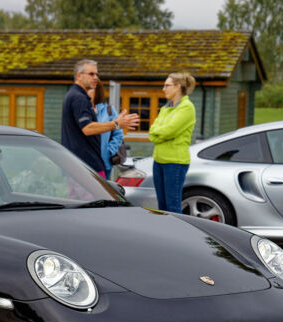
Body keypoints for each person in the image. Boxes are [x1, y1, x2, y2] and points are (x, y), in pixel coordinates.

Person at [61, 59, 138, 177]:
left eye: (96, 74)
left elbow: (117, 135)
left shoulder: (75, 95)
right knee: (97, 196)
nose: (95, 77)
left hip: (83, 163)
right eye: (91, 74)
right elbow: (87, 128)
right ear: (79, 76)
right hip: (85, 165)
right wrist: (116, 123)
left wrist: (108, 152)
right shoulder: (79, 98)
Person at [149, 72, 197, 213]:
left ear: (177, 87)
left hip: (175, 163)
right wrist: (159, 135)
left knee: (173, 206)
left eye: (167, 85)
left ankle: (176, 234)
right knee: (161, 206)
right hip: (158, 160)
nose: (163, 89)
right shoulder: (165, 109)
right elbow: (152, 132)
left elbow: (169, 131)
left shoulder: (187, 107)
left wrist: (159, 135)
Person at [88, 82, 124, 180]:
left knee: (102, 192)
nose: (87, 91)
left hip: (103, 162)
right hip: (84, 161)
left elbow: (118, 134)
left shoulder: (109, 110)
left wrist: (109, 151)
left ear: (97, 91)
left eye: (91, 88)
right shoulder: (81, 109)